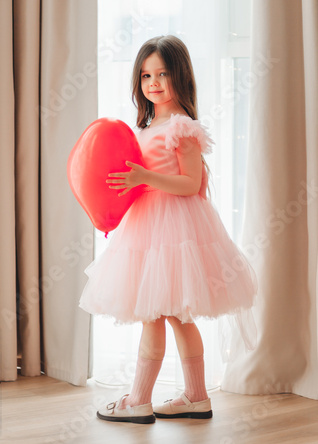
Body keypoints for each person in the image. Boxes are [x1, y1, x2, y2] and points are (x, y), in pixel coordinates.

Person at [79, 35, 257, 424]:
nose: (153, 82)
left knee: (164, 315)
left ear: (181, 76)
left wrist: (144, 177)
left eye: (162, 73)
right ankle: (195, 397)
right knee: (169, 315)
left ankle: (139, 401)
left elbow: (191, 184)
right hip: (146, 228)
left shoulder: (182, 127)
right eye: (146, 75)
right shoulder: (145, 127)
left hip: (174, 231)